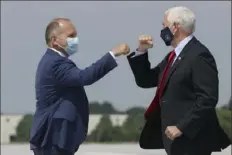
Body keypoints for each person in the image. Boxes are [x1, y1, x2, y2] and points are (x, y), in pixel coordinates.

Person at [127, 6, 231, 155]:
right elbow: (145, 80)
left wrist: (182, 127)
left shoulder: (198, 55)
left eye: (164, 26)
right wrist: (142, 51)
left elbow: (208, 99)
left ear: (175, 27)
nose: (162, 31)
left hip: (192, 140)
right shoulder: (174, 57)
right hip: (176, 142)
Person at [30, 18, 130, 155]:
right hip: (54, 136)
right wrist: (113, 54)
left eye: (75, 35)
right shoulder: (56, 63)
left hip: (56, 137)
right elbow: (85, 77)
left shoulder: (53, 60)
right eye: (71, 36)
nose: (75, 40)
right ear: (54, 41)